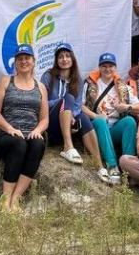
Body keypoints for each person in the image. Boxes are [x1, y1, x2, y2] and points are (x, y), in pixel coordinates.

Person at [0, 44, 50, 211]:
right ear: (15, 62)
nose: (24, 61)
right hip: (6, 137)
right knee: (19, 143)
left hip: (30, 135)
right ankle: (5, 199)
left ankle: (16, 198)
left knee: (38, 144)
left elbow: (45, 119)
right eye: (20, 58)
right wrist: (9, 129)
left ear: (33, 61)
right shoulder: (6, 81)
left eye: (27, 58)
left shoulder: (40, 87)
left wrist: (38, 130)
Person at [43, 44, 106, 180]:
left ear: (72, 59)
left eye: (67, 56)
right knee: (68, 98)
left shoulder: (78, 80)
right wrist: (62, 102)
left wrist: (71, 114)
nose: (64, 59)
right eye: (60, 57)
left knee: (83, 117)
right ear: (56, 60)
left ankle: (99, 166)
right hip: (51, 124)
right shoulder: (48, 76)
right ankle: (67, 147)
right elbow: (42, 103)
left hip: (69, 125)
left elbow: (77, 106)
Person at [81, 53, 139, 184]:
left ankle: (128, 166)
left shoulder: (123, 86)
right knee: (101, 121)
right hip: (97, 126)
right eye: (104, 66)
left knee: (130, 121)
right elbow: (81, 106)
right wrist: (96, 115)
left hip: (115, 127)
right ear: (99, 67)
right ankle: (112, 165)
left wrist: (126, 107)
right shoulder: (90, 84)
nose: (107, 69)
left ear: (115, 68)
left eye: (110, 66)